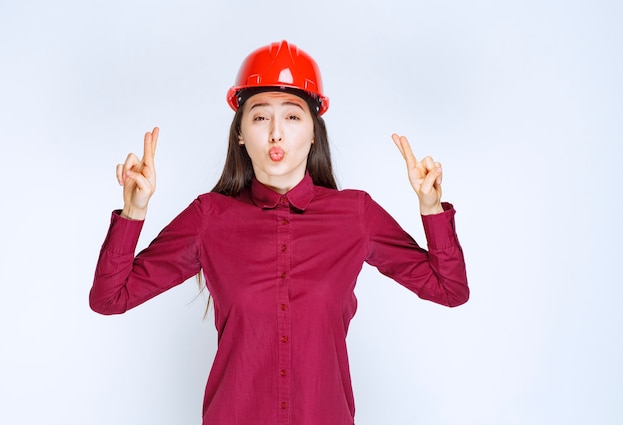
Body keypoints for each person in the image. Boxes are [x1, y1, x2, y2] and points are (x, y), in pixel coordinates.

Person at [90, 40, 469, 425]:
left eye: (292, 117)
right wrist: (134, 212)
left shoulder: (355, 215)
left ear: (314, 133)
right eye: (259, 117)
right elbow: (109, 298)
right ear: (240, 134)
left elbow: (450, 290)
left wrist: (431, 209)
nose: (276, 134)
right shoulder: (210, 217)